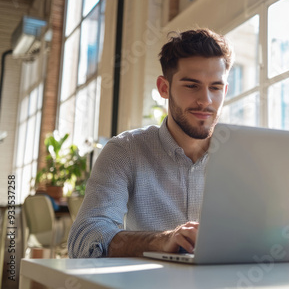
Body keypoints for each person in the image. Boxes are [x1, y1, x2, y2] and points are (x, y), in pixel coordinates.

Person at [68, 28, 234, 258]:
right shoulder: (125, 151)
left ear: (225, 90)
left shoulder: (246, 156)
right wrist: (160, 241)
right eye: (191, 85)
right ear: (164, 88)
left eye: (215, 87)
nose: (205, 100)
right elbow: (85, 240)